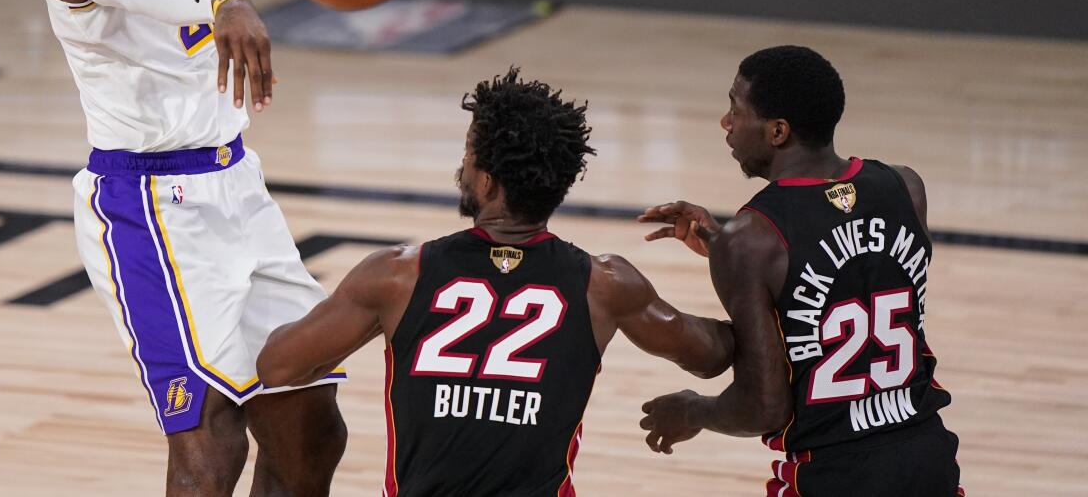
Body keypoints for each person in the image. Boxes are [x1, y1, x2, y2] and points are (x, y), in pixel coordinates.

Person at [29, 0, 345, 496]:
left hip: (236, 182)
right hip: (145, 202)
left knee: (309, 425)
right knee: (212, 447)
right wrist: (221, 1)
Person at [256, 68, 735, 497]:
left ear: (486, 182)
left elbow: (277, 366)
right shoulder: (606, 284)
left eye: (468, 153)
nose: (463, 165)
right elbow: (712, 354)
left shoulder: (397, 274)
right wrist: (730, 258)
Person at [638, 45, 962, 496]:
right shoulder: (905, 186)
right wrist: (722, 247)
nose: (726, 123)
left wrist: (692, 410)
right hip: (928, 457)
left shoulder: (752, 238)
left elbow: (764, 408)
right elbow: (859, 271)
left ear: (777, 131)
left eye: (735, 108)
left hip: (836, 472)